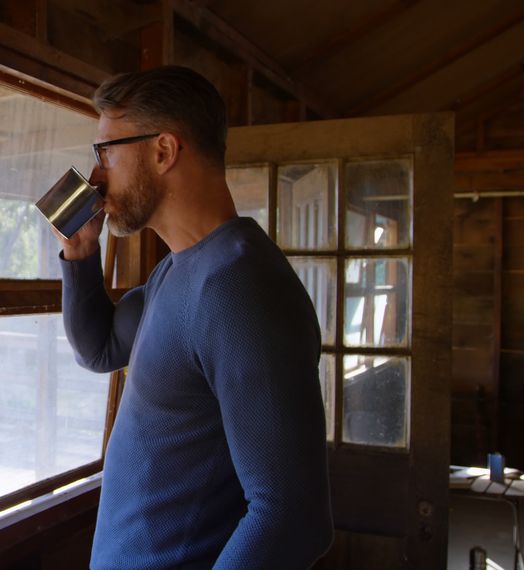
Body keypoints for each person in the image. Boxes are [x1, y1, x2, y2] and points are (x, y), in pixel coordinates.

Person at [54, 66, 333, 568]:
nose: (94, 177)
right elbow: (98, 349)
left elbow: (292, 515)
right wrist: (80, 255)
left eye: (106, 153)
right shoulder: (178, 272)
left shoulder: (240, 289)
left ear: (163, 151)